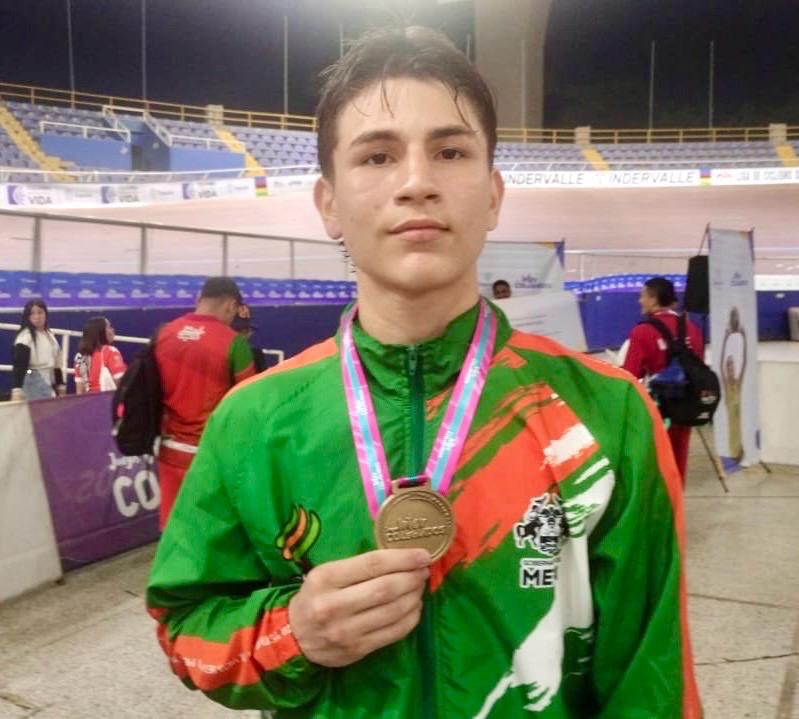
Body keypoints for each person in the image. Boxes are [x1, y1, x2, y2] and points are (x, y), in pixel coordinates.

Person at [147, 28, 701, 718]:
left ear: (492, 194)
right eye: (377, 156)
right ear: (328, 204)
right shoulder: (253, 420)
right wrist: (295, 633)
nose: (416, 183)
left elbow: (651, 687)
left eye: (450, 151)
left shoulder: (607, 411)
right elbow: (186, 626)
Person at [153, 276, 255, 528]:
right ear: (231, 305)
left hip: (168, 451)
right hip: (210, 456)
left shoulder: (164, 333)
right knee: (210, 533)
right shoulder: (235, 344)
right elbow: (247, 406)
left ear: (199, 299)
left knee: (173, 531)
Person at [619, 276, 705, 483]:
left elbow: (630, 374)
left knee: (655, 461)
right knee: (678, 457)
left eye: (642, 296)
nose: (640, 301)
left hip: (657, 409)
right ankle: (676, 499)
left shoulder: (642, 331)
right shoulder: (692, 328)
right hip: (687, 405)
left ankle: (658, 500)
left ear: (654, 299)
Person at [10, 299, 65, 401]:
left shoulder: (50, 335)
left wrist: (61, 386)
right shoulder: (24, 337)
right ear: (27, 316)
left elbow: (57, 365)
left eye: (40, 312)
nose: (37, 316)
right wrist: (17, 391)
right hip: (33, 382)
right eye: (32, 313)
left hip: (49, 382)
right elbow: (19, 368)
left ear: (45, 314)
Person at [73, 316, 127, 394]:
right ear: (101, 332)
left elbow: (79, 391)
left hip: (87, 400)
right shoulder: (110, 351)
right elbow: (122, 381)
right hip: (106, 399)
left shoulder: (79, 356)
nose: (113, 330)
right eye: (109, 327)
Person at [232, 303, 269, 373]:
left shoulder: (255, 353)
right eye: (239, 331)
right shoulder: (218, 353)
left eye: (247, 331)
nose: (248, 334)